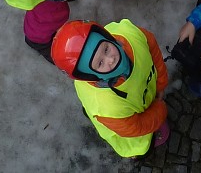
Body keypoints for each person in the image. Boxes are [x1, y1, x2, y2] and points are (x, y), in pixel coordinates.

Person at [52, 20, 170, 158]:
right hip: (126, 121)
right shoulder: (106, 107)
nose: (110, 59)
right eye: (100, 63)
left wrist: (161, 82)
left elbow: (152, 49)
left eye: (106, 49)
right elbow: (134, 127)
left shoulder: (130, 34)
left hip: (139, 101)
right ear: (90, 75)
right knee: (142, 147)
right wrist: (159, 111)